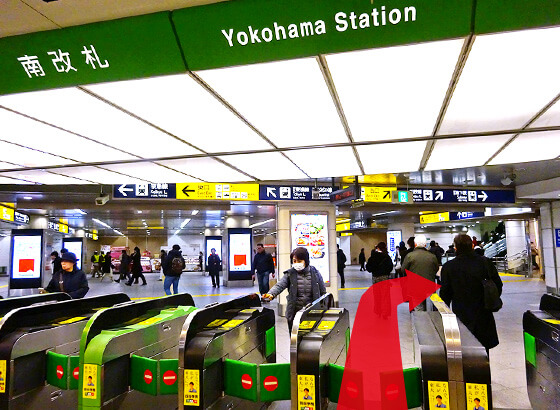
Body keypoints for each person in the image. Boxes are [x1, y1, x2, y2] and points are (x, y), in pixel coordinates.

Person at [440, 234, 503, 354]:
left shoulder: (449, 267)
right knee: (484, 351)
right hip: (483, 313)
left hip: (461, 314)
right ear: (472, 246)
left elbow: (445, 295)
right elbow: (497, 285)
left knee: (464, 351)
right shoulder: (484, 262)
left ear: (456, 248)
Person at [263, 247, 326, 332]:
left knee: (310, 338)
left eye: (299, 261)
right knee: (294, 338)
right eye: (294, 261)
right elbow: (280, 285)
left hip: (312, 312)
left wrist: (324, 308)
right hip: (294, 312)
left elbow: (323, 291)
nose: (296, 264)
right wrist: (271, 294)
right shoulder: (290, 274)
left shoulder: (315, 273)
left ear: (306, 261)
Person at [401, 234, 439, 311]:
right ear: (425, 245)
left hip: (415, 285)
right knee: (433, 308)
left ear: (415, 244)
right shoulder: (432, 256)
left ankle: (421, 322)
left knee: (418, 309)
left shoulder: (410, 256)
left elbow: (403, 269)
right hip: (430, 285)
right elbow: (436, 268)